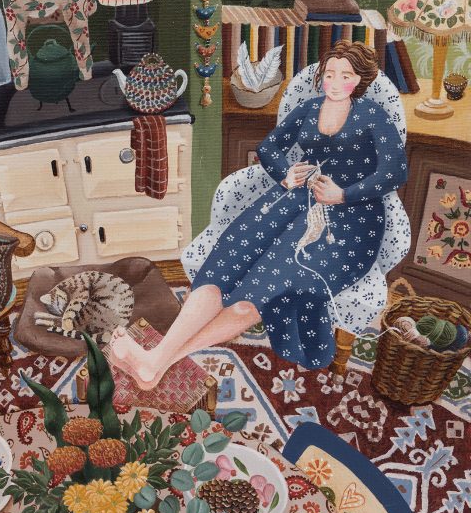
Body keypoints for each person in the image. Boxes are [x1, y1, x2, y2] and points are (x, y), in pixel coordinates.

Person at [109, 40, 408, 390]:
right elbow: (270, 147)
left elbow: (395, 172)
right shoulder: (310, 109)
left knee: (261, 289)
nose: (335, 82)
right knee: (224, 265)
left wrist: (343, 194)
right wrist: (285, 173)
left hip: (349, 224)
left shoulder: (372, 116)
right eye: (329, 74)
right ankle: (154, 364)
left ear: (359, 80)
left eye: (346, 75)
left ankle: (155, 362)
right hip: (293, 200)